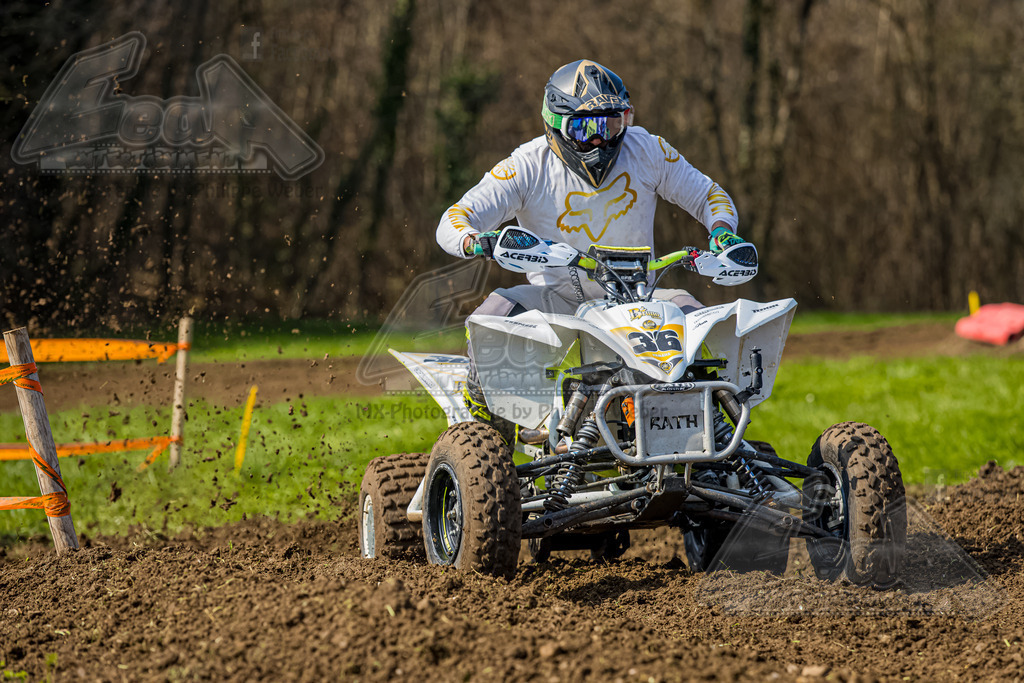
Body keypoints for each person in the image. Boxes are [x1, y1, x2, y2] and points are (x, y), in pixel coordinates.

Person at [435, 59, 751, 425]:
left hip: (639, 296)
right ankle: (485, 428)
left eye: (613, 123)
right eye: (586, 127)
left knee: (699, 319)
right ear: (555, 123)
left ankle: (717, 430)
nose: (601, 138)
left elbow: (709, 195)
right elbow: (454, 218)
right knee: (492, 315)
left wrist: (722, 229)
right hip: (558, 298)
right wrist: (477, 241)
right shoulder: (526, 165)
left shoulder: (647, 149)